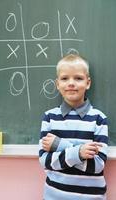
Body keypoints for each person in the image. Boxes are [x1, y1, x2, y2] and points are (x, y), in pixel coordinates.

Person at [39, 54, 108, 200]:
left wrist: (59, 145)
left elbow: (96, 165)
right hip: (54, 196)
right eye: (64, 78)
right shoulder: (49, 117)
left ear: (88, 83)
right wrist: (80, 152)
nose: (71, 83)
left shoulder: (99, 119)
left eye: (78, 78)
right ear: (57, 84)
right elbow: (46, 162)